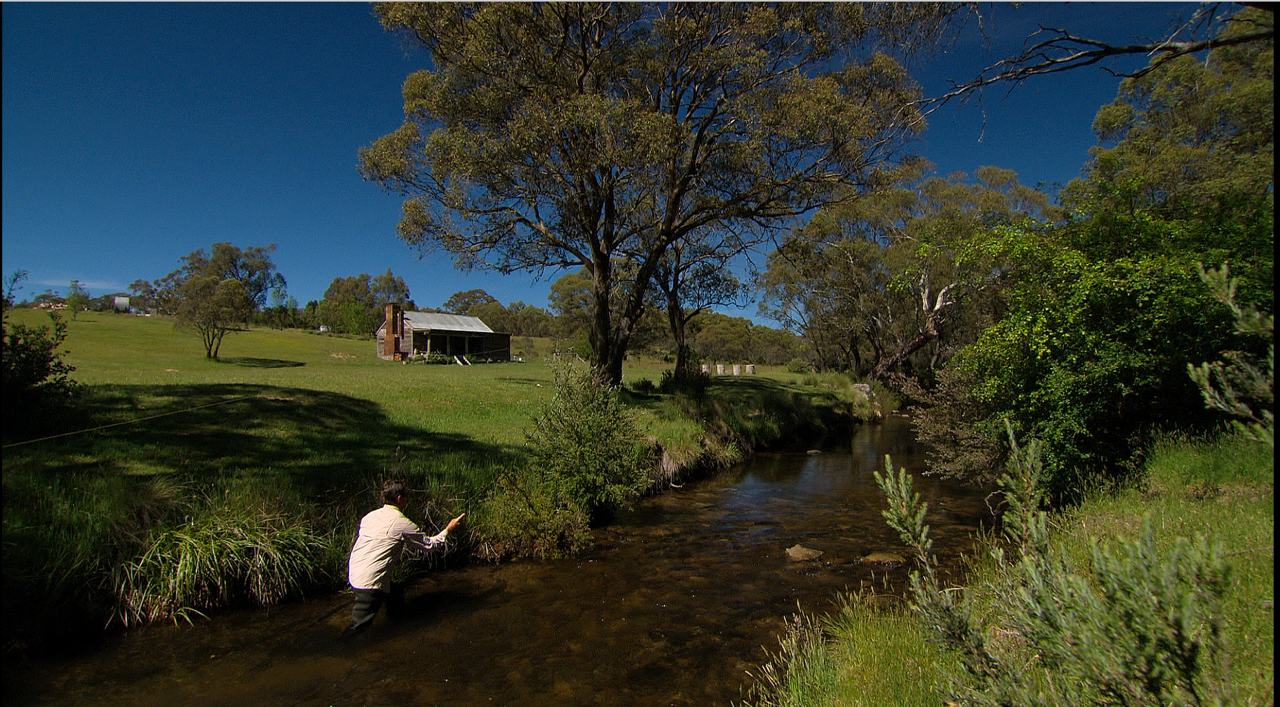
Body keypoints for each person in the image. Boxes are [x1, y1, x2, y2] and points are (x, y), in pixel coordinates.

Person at [344, 479, 465, 636]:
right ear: (399, 499)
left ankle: (397, 627)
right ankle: (341, 649)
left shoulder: (369, 517)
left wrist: (393, 558)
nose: (408, 500)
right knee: (358, 626)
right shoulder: (402, 523)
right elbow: (430, 545)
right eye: (406, 496)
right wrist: (448, 529)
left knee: (395, 595)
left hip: (354, 571)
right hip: (369, 582)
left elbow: (376, 543)